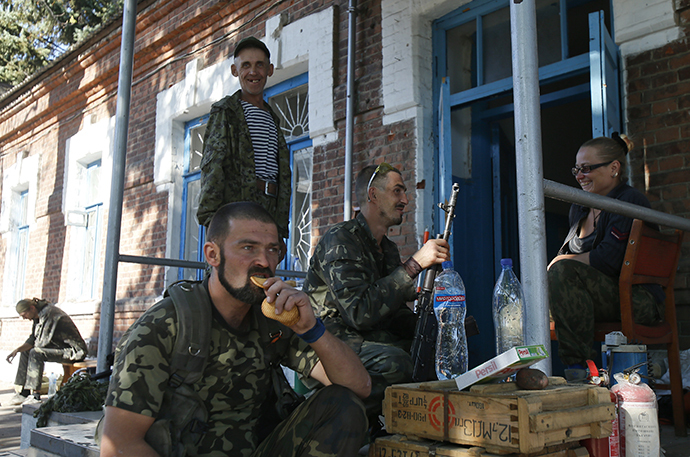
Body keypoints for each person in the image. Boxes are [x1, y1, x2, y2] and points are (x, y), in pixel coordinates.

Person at [100, 202, 371, 457]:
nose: (264, 262)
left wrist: (311, 329)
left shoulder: (274, 319)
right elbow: (119, 445)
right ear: (213, 254)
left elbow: (359, 387)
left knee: (343, 405)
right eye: (248, 248)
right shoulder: (163, 327)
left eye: (273, 250)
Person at [302, 163, 450, 422]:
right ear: (372, 195)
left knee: (434, 354)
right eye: (397, 191)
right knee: (400, 364)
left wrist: (431, 329)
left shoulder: (387, 249)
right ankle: (322, 418)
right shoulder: (341, 240)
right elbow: (358, 313)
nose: (405, 200)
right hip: (331, 345)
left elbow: (391, 312)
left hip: (369, 339)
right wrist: (413, 266)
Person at [547, 133, 664, 377]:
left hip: (638, 300)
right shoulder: (579, 207)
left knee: (560, 271)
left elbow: (607, 260)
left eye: (587, 168)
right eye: (577, 169)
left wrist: (559, 263)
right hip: (604, 297)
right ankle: (526, 372)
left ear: (613, 168)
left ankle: (578, 370)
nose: (579, 176)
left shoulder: (629, 201)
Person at [197, 36, 291, 246]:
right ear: (234, 70)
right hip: (236, 212)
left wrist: (280, 229)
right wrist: (212, 222)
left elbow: (281, 177)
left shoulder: (273, 119)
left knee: (262, 273)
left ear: (270, 69)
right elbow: (213, 168)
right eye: (246, 65)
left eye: (260, 65)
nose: (253, 72)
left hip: (269, 212)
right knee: (232, 274)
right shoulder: (226, 112)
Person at [6, 297, 87, 406]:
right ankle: (24, 393)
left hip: (74, 351)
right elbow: (33, 338)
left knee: (35, 353)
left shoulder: (49, 313)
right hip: (60, 347)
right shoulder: (37, 315)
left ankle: (35, 396)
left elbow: (41, 343)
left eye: (24, 315)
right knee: (26, 351)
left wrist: (31, 349)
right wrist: (17, 350)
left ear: (32, 308)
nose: (24, 318)